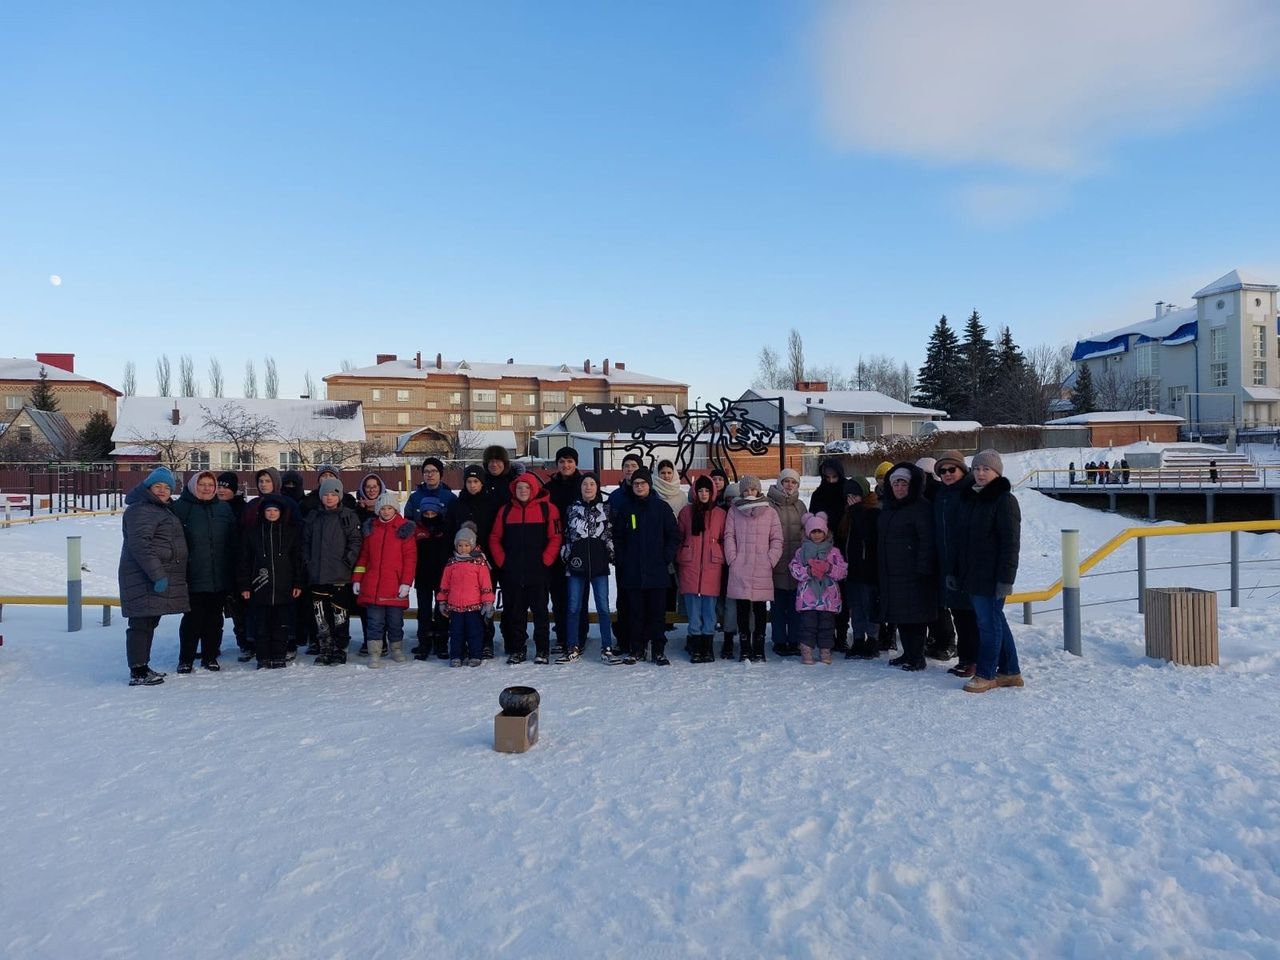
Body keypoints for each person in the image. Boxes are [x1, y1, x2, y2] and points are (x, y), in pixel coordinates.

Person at [952, 450, 1023, 693]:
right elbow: (962, 540)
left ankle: (986, 673)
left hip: (992, 576)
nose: (980, 474)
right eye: (976, 469)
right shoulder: (971, 498)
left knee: (988, 624)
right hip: (973, 574)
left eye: (986, 469)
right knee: (995, 620)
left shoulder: (1005, 500)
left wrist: (1005, 579)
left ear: (997, 473)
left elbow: (1010, 544)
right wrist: (956, 571)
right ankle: (1010, 671)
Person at [118, 467, 189, 685]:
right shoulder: (142, 509)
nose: (162, 491)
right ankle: (138, 671)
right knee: (140, 624)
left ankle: (142, 666)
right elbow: (141, 546)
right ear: (148, 487)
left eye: (167, 487)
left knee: (148, 622)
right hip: (143, 577)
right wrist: (157, 575)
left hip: (151, 576)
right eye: (157, 486)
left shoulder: (158, 509)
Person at [489, 472, 561, 665]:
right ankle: (517, 649)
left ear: (534, 489)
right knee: (515, 613)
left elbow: (556, 538)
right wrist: (502, 561)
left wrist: (546, 559)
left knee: (540, 613)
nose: (523, 491)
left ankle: (542, 650)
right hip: (512, 571)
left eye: (527, 487)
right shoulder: (505, 511)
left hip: (538, 571)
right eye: (520, 487)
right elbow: (495, 538)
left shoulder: (548, 509)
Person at [171, 470, 236, 673]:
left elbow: (231, 541)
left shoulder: (223, 509)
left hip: (219, 574)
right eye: (202, 484)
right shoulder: (180, 508)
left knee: (215, 619)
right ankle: (186, 659)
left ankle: (210, 656)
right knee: (192, 618)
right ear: (193, 486)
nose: (206, 488)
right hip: (192, 573)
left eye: (210, 484)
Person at [612, 467, 679, 665]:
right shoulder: (626, 509)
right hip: (633, 572)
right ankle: (637, 649)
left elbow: (673, 536)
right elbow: (618, 537)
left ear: (649, 485)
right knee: (635, 614)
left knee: (657, 614)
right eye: (636, 484)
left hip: (656, 572)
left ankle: (658, 650)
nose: (639, 487)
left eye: (643, 484)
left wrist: (665, 557)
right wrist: (623, 559)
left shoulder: (661, 508)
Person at [877, 462, 936, 672]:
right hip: (894, 571)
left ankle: (917, 656)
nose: (900, 488)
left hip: (914, 572)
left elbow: (927, 540)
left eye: (903, 484)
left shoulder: (921, 507)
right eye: (896, 484)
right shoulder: (890, 507)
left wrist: (923, 567)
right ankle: (908, 653)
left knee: (916, 617)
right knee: (902, 614)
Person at [236, 493, 303, 669]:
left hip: (284, 586)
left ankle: (279, 656)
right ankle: (263, 657)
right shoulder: (252, 533)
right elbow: (243, 560)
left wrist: (297, 583)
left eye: (275, 510)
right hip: (260, 586)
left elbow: (297, 560)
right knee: (261, 625)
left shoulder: (290, 533)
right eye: (268, 510)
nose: (272, 513)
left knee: (281, 624)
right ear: (263, 512)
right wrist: (244, 585)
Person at [353, 490, 418, 667]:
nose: (386, 511)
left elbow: (410, 559)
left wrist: (406, 583)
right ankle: (375, 652)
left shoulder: (404, 529)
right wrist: (358, 578)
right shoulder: (371, 529)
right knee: (374, 622)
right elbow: (364, 557)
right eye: (383, 508)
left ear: (395, 509)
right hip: (372, 587)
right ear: (378, 510)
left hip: (395, 586)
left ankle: (396, 648)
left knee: (395, 622)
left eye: (390, 508)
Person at [303, 477, 363, 665]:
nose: (329, 498)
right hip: (318, 574)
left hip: (340, 575)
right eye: (326, 494)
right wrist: (308, 562)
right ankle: (325, 646)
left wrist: (348, 561)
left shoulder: (348, 516)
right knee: (321, 614)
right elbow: (304, 542)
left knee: (340, 614)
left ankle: (340, 647)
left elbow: (356, 541)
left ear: (339, 496)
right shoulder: (313, 517)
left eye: (333, 494)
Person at [931, 451, 981, 678]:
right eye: (943, 471)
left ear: (962, 469)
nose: (948, 474)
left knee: (971, 615)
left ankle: (975, 660)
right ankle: (966, 658)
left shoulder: (971, 493)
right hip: (946, 563)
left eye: (952, 469)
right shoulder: (941, 494)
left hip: (967, 564)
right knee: (959, 613)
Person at [724, 474, 783, 663]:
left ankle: (758, 647)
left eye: (753, 489)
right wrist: (733, 558)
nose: (750, 492)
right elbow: (729, 536)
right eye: (746, 489)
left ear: (759, 490)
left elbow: (776, 539)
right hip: (740, 566)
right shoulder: (734, 511)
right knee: (742, 609)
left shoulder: (770, 511)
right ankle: (744, 647)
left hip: (762, 567)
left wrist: (770, 559)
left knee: (759, 609)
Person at [560, 472, 615, 662]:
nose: (589, 487)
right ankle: (572, 645)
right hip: (576, 565)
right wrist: (566, 555)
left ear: (597, 487)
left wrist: (611, 555)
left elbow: (609, 535)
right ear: (580, 487)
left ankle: (606, 646)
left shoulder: (605, 509)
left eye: (592, 484)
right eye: (585, 484)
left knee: (603, 607)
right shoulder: (572, 509)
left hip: (599, 566)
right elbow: (567, 536)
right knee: (574, 606)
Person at [446, 464, 499, 659]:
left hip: (485, 563)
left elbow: (496, 532)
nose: (472, 485)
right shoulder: (458, 504)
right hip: (461, 563)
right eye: (469, 481)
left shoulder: (491, 503)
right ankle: (463, 644)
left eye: (476, 481)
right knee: (462, 604)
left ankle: (485, 642)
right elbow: (450, 531)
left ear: (482, 483)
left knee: (484, 604)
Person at [676, 475, 726, 664]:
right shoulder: (686, 512)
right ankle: (696, 646)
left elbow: (724, 538)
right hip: (690, 566)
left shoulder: (720, 514)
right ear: (695, 492)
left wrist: (717, 551)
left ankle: (707, 647)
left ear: (712, 492)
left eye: (707, 490)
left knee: (709, 610)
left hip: (712, 566)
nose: (704, 494)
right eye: (700, 490)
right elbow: (679, 536)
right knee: (693, 610)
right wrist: (682, 553)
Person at [789, 512, 848, 664]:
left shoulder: (833, 552)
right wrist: (808, 571)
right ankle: (806, 650)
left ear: (825, 532)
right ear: (808, 533)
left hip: (828, 599)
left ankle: (825, 650)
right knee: (808, 626)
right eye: (813, 532)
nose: (816, 535)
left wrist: (828, 568)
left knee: (827, 627)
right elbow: (794, 569)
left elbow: (842, 571)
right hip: (808, 598)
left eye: (819, 531)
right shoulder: (801, 552)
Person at [542, 447, 585, 655]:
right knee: (558, 594)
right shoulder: (550, 487)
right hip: (556, 546)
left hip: (579, 547)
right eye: (561, 461)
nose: (565, 465)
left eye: (569, 461)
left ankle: (579, 636)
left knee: (578, 594)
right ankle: (561, 635)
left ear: (575, 463)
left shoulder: (584, 484)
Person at [437, 522, 495, 667]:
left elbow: (486, 584)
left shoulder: (479, 563)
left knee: (474, 632)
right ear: (456, 546)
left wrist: (488, 602)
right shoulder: (451, 563)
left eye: (466, 545)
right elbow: (445, 584)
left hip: (474, 607)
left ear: (473, 545)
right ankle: (456, 655)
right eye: (460, 545)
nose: (463, 549)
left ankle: (475, 655)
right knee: (456, 633)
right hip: (455, 606)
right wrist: (442, 601)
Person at [809, 458, 851, 651]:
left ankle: (841, 635)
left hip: (843, 548)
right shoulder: (819, 494)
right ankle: (827, 635)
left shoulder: (846, 491)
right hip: (822, 547)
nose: (831, 480)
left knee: (842, 593)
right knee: (826, 593)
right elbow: (812, 520)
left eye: (835, 477)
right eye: (828, 477)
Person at [839, 477, 880, 659]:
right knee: (855, 606)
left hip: (868, 568)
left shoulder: (872, 511)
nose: (851, 499)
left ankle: (872, 639)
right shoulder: (848, 514)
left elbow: (868, 535)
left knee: (869, 605)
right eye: (848, 495)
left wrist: (855, 510)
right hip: (852, 568)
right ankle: (857, 639)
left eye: (855, 495)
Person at [768, 468, 806, 657]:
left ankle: (795, 640)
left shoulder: (800, 506)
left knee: (795, 606)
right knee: (777, 606)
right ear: (779, 483)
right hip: (776, 563)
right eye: (786, 481)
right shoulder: (770, 505)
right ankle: (779, 640)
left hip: (796, 564)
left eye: (793, 482)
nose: (789, 485)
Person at [216, 471, 253, 662]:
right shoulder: (210, 506)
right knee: (213, 611)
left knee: (239, 609)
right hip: (214, 566)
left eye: (226, 487)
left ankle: (246, 643)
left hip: (236, 565)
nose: (221, 490)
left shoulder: (242, 509)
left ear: (234, 489)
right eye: (219, 486)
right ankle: (211, 645)